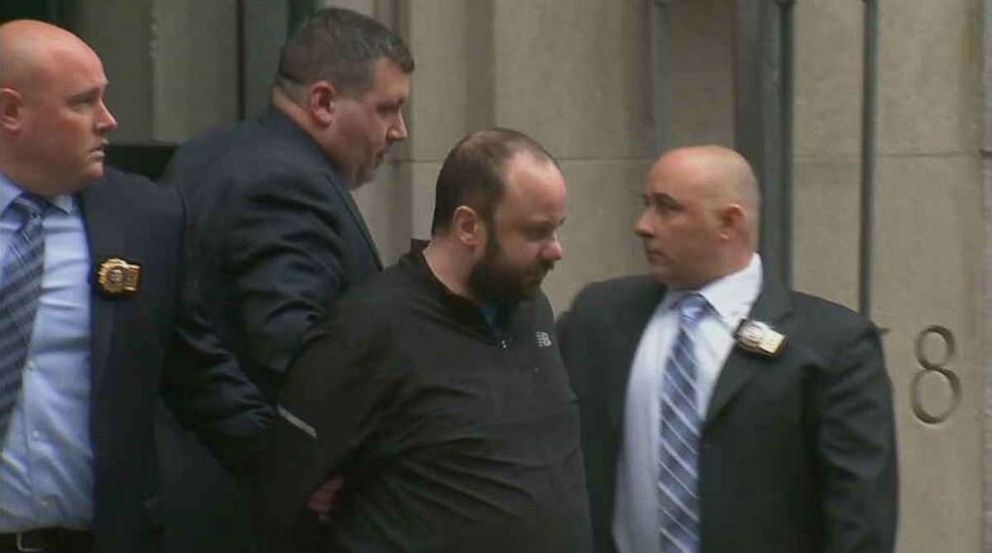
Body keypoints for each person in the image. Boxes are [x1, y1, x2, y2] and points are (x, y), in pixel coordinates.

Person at [0, 20, 270, 553]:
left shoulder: (146, 218)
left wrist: (304, 472)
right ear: (10, 112)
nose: (108, 121)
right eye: (83, 103)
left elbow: (202, 378)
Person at [260, 128, 593, 553]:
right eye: (536, 232)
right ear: (468, 226)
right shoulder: (370, 327)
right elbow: (287, 491)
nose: (556, 250)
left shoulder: (531, 309)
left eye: (557, 229)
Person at [557, 145, 898, 553]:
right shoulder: (600, 319)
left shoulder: (834, 345)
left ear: (729, 223)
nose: (644, 226)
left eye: (667, 208)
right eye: (645, 205)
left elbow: (861, 519)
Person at [157, 8, 414, 550]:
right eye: (387, 109)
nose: (399, 131)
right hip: (248, 510)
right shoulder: (286, 182)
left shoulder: (208, 151)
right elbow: (297, 356)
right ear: (322, 102)